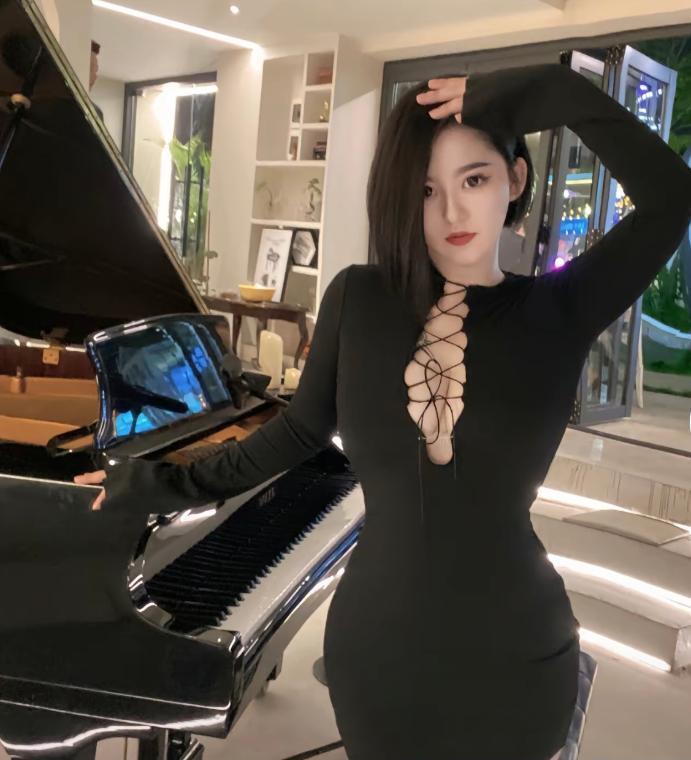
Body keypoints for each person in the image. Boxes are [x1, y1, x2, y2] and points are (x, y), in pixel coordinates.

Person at [75, 63, 691, 759]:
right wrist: (156, 482)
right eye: (425, 189)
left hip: (516, 659)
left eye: (474, 179)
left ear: (515, 179)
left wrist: (543, 92)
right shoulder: (358, 298)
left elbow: (672, 197)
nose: (451, 212)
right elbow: (299, 431)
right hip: (377, 656)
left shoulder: (560, 310)